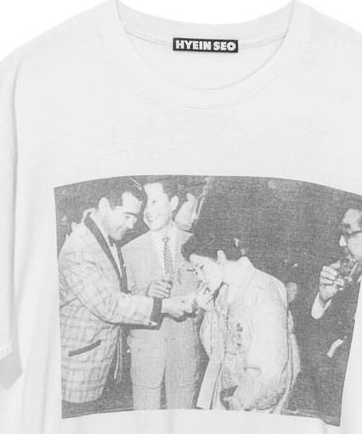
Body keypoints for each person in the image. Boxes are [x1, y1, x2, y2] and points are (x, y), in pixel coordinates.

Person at [59, 179, 191, 416]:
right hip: (79, 373)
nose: (132, 224)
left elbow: (118, 292)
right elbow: (109, 305)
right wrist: (162, 305)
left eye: (134, 217)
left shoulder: (104, 240)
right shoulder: (80, 248)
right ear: (104, 205)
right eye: (127, 215)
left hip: (101, 368)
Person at [183, 229, 300, 413]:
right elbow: (216, 354)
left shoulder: (263, 289)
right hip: (231, 398)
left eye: (201, 267)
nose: (199, 277)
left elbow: (269, 368)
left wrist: (241, 401)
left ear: (220, 256)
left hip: (257, 404)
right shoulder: (223, 293)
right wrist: (210, 311)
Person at [122, 178, 202, 409]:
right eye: (145, 204)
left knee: (182, 421)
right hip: (146, 356)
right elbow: (121, 302)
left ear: (173, 203)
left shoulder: (195, 244)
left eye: (155, 202)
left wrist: (194, 303)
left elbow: (208, 293)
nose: (149, 211)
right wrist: (146, 292)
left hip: (184, 353)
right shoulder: (129, 250)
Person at [291, 205, 362, 421]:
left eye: (348, 233)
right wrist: (323, 299)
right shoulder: (348, 283)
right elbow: (313, 355)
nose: (341, 242)